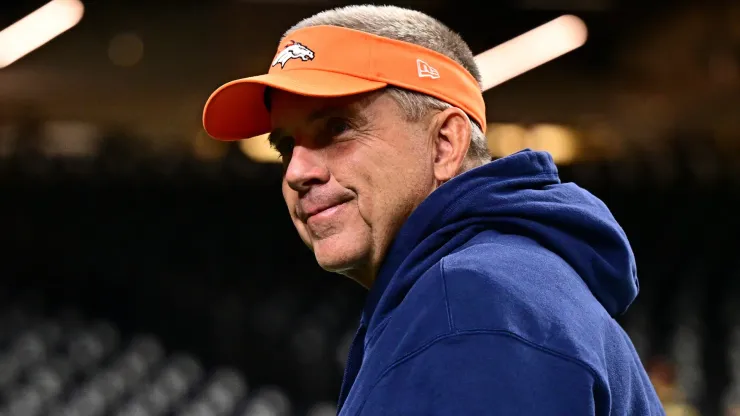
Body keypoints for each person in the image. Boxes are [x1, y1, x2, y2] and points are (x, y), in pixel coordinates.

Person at [202, 5, 665, 415]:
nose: (297, 171)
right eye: (286, 146)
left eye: (338, 128)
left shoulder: (469, 306)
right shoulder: (499, 282)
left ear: (445, 144)